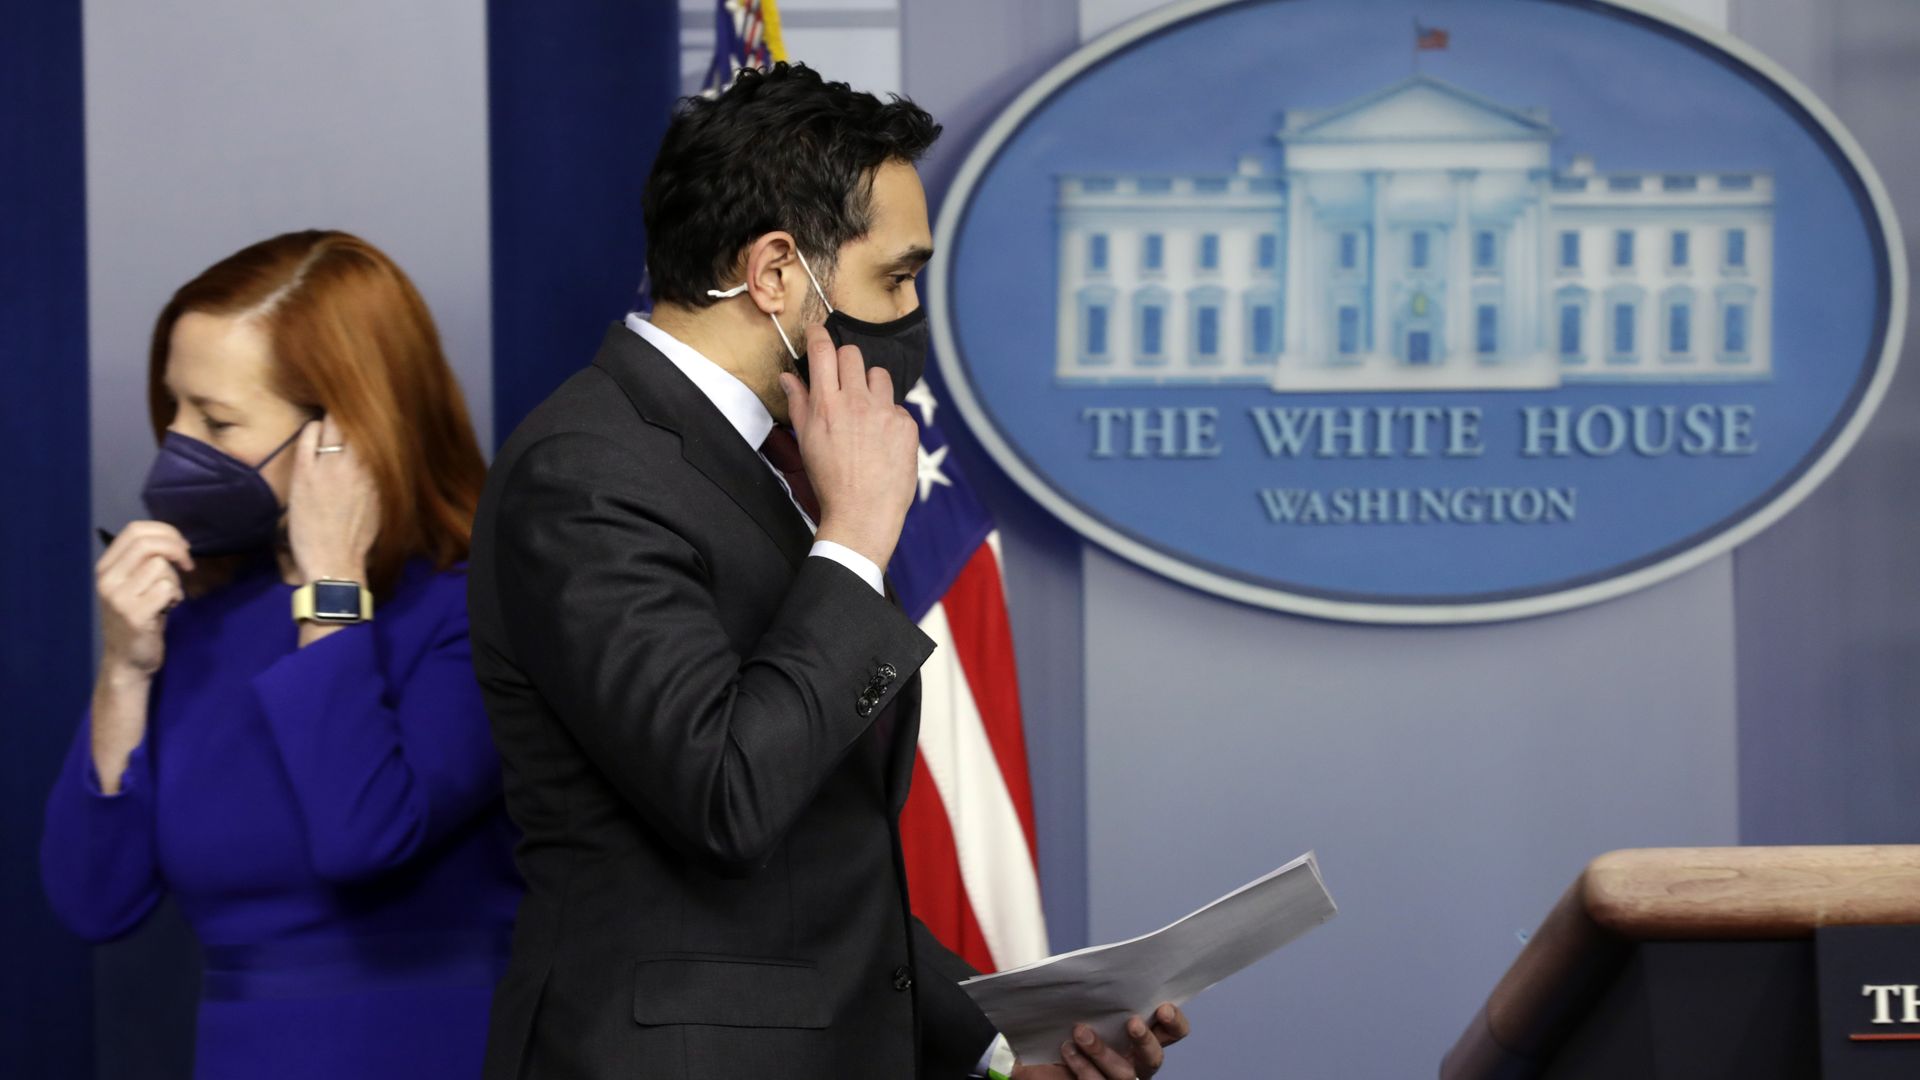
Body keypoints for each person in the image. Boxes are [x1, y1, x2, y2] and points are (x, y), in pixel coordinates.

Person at [468, 64, 1190, 1080]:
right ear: (774, 274)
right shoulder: (585, 469)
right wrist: (853, 535)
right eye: (895, 278)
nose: (911, 314)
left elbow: (824, 864)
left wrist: (1001, 1054)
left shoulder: (778, 456)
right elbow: (727, 794)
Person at [41, 230, 522, 1079]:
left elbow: (363, 839)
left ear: (344, 431)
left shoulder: (477, 608)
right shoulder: (199, 618)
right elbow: (94, 900)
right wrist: (124, 671)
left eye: (216, 421)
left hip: (435, 1049)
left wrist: (332, 586)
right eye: (175, 409)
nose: (176, 446)